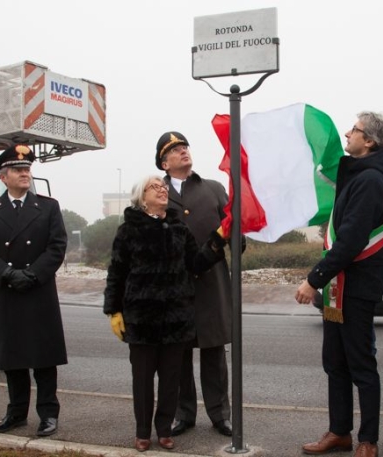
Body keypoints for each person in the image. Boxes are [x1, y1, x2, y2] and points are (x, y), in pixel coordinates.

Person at [295, 111, 383, 457]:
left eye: (354, 129)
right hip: (338, 290)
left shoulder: (370, 180)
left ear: (369, 141)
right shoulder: (355, 177)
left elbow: (352, 240)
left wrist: (314, 280)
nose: (347, 133)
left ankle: (368, 440)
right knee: (335, 364)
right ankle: (339, 432)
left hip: (355, 289)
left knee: (361, 366)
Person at [103, 175, 227, 453]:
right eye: (155, 187)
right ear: (141, 196)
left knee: (172, 381)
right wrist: (114, 310)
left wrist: (218, 241)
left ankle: (164, 429)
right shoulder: (128, 231)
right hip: (142, 319)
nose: (162, 190)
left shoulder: (179, 229)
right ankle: (142, 432)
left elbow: (196, 263)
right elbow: (117, 273)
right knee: (143, 381)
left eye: (163, 186)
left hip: (176, 319)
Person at [0, 144, 67, 438]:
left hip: (38, 291)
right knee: (12, 357)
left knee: (43, 358)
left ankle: (48, 414)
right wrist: (7, 273)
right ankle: (15, 413)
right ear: (4, 177)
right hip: (7, 290)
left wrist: (32, 274)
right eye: (18, 169)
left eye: (27, 169)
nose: (25, 173)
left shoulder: (48, 206)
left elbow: (57, 246)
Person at [154, 131, 234, 438]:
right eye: (175, 150)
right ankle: (183, 413)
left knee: (214, 353)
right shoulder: (156, 191)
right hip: (175, 287)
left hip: (212, 283)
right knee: (179, 356)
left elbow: (231, 226)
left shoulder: (213, 188)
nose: (183, 151)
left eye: (185, 146)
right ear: (164, 161)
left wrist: (238, 242)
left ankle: (220, 414)